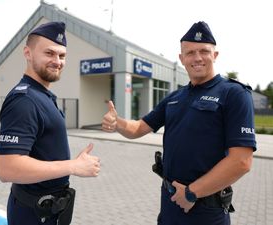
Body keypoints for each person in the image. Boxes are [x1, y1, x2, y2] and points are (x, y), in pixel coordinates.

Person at [102, 21, 256, 225]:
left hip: (205, 211)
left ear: (215, 55)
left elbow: (241, 161)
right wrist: (117, 123)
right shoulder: (175, 97)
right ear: (182, 58)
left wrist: (192, 193)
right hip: (170, 204)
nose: (197, 57)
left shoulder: (234, 94)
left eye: (204, 51)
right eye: (190, 52)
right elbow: (139, 128)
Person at [0, 21, 101, 225]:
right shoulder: (24, 100)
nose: (58, 61)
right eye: (49, 53)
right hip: (33, 215)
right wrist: (73, 166)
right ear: (28, 53)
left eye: (62, 56)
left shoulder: (42, 95)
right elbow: (7, 168)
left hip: (48, 212)